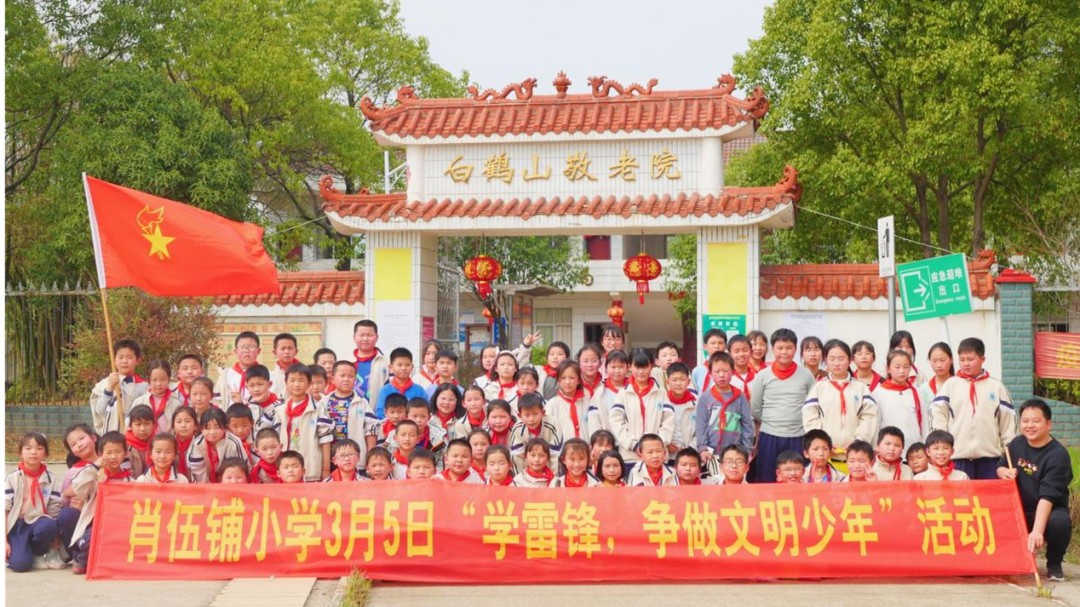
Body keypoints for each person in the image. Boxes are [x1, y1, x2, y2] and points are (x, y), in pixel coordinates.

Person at [997, 399, 1073, 582]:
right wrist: (1004, 472)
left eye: (1036, 421)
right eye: (1025, 421)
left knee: (1059, 522)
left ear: (1048, 424)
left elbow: (1048, 497)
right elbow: (1000, 466)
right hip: (1018, 509)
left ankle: (1054, 562)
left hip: (1047, 509)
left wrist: (1037, 531)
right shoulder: (1016, 444)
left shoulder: (1058, 456)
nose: (1029, 425)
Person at [930, 337, 1015, 479]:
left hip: (990, 459)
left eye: (970, 359)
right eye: (962, 359)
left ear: (982, 359)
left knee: (988, 494)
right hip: (957, 459)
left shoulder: (997, 387)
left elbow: (1008, 426)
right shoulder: (950, 386)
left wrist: (1009, 457)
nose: (965, 364)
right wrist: (942, 449)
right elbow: (938, 418)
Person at [750, 328, 817, 482]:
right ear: (772, 349)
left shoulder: (806, 375)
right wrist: (773, 422)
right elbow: (755, 409)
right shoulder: (762, 376)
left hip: (798, 436)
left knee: (797, 479)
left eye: (788, 348)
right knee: (767, 479)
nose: (784, 352)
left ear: (795, 349)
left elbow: (812, 406)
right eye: (780, 348)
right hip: (769, 436)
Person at [803, 339, 879, 468]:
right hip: (826, 458)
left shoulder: (860, 388)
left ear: (850, 360)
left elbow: (869, 417)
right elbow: (810, 417)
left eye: (841, 359)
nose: (836, 363)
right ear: (825, 360)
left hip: (855, 458)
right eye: (832, 359)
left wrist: (858, 441)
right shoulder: (819, 387)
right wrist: (823, 443)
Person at [69, 432, 131, 574]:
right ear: (100, 454)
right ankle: (82, 557)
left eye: (118, 452)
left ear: (126, 453)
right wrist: (95, 467)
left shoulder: (129, 480)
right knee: (94, 537)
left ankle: (91, 557)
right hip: (95, 524)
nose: (113, 456)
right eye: (108, 453)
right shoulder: (94, 476)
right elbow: (78, 488)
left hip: (118, 526)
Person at [5, 432, 62, 573]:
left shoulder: (51, 479)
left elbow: (54, 510)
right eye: (28, 448)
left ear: (46, 454)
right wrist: (4, 541)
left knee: (49, 525)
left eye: (39, 448)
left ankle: (38, 553)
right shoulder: (12, 478)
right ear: (20, 453)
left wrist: (55, 539)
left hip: (38, 522)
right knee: (20, 565)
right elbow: (4, 510)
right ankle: (22, 551)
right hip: (16, 526)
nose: (33, 452)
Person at [267, 363, 333, 481]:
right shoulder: (280, 410)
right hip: (287, 473)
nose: (296, 384)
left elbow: (326, 440)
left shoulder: (318, 409)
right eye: (292, 380)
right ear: (286, 383)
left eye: (301, 380)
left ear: (308, 383)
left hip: (311, 469)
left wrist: (325, 469)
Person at [611, 348, 674, 470]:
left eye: (645, 367)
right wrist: (633, 444)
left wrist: (658, 444)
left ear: (651, 366)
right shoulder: (623, 393)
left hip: (657, 457)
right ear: (630, 366)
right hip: (631, 457)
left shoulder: (661, 393)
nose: (641, 372)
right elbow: (616, 422)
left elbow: (668, 421)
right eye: (637, 367)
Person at [696, 352, 755, 476]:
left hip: (736, 453)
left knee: (735, 482)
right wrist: (702, 448)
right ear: (710, 373)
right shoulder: (705, 398)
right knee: (715, 483)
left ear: (733, 372)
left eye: (725, 371)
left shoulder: (740, 397)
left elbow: (747, 424)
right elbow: (701, 424)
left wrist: (747, 449)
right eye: (717, 371)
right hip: (712, 453)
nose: (721, 375)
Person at [325, 360, 377, 471]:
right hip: (330, 460)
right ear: (332, 379)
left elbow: (371, 429)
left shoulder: (362, 403)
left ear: (355, 380)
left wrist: (370, 456)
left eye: (350, 376)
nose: (346, 379)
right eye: (342, 375)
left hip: (355, 460)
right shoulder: (324, 403)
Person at [89, 339, 148, 435]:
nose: (124, 361)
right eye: (120, 357)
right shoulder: (104, 384)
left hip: (133, 437)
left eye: (129, 357)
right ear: (114, 360)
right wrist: (109, 389)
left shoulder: (144, 387)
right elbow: (99, 412)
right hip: (111, 436)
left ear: (137, 360)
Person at [873, 349, 931, 446]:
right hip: (889, 448)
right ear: (888, 368)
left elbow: (924, 422)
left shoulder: (916, 391)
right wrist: (876, 447)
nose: (902, 371)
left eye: (906, 367)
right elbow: (875, 424)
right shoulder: (878, 392)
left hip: (913, 447)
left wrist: (926, 445)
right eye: (897, 367)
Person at [188, 409, 246, 483]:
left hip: (230, 482)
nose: (212, 432)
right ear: (201, 429)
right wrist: (207, 487)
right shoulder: (198, 444)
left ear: (225, 428)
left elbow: (240, 469)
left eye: (217, 427)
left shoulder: (233, 443)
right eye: (207, 428)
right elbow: (198, 471)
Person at [509, 393, 562, 471]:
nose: (531, 419)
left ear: (543, 412)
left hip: (549, 468)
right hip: (527, 469)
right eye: (527, 415)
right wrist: (522, 477)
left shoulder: (553, 424)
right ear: (519, 416)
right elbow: (517, 457)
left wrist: (553, 477)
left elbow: (555, 455)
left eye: (535, 414)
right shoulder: (517, 429)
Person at [129, 359, 182, 434]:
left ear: (169, 380)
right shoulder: (139, 402)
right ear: (149, 380)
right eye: (154, 380)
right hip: (144, 440)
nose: (158, 383)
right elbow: (130, 425)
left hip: (167, 440)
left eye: (163, 379)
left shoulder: (175, 403)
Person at [586, 350, 630, 433]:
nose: (617, 371)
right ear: (606, 368)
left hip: (630, 438)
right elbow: (594, 419)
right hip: (607, 438)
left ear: (628, 367)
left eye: (621, 367)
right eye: (613, 367)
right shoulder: (600, 392)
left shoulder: (633, 389)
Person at [547, 360, 590, 442]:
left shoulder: (587, 402)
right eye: (563, 378)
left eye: (572, 378)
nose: (567, 382)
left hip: (585, 447)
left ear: (579, 380)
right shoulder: (552, 404)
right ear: (558, 381)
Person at [215, 332, 261, 407]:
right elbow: (217, 403)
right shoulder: (225, 375)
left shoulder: (265, 375)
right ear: (235, 351)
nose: (247, 350)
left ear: (258, 351)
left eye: (251, 346)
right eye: (242, 347)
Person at [664, 362, 697, 464]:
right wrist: (665, 444)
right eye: (674, 380)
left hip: (690, 455)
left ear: (688, 381)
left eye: (682, 379)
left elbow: (701, 430)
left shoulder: (696, 404)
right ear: (667, 382)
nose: (678, 383)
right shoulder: (662, 403)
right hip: (667, 457)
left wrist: (691, 447)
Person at [352, 320, 389, 403]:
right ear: (354, 337)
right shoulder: (346, 362)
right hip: (351, 409)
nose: (365, 339)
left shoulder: (387, 363)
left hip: (378, 410)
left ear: (377, 337)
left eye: (369, 335)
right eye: (361, 335)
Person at [691, 329, 727, 394]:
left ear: (725, 347)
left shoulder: (730, 369)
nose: (717, 346)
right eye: (713, 343)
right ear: (705, 347)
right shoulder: (698, 371)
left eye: (720, 343)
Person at [123, 404, 155, 477]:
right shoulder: (124, 446)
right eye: (138, 424)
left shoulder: (159, 443)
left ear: (154, 425)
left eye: (147, 424)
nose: (143, 429)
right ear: (130, 426)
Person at [269, 332, 300, 397]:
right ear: (274, 352)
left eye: (290, 348)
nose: (287, 352)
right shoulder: (270, 377)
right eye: (283, 348)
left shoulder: (305, 374)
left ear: (296, 351)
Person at [726, 335, 756, 401]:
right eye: (737, 351)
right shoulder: (726, 378)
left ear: (751, 352)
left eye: (745, 350)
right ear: (729, 354)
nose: (741, 354)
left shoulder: (757, 378)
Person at [171, 407, 198, 480]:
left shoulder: (200, 443)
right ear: (173, 426)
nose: (183, 425)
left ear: (195, 425)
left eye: (187, 421)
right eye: (179, 422)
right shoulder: (168, 443)